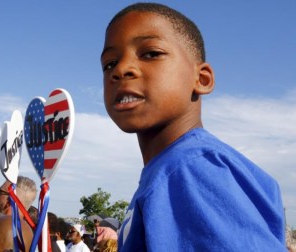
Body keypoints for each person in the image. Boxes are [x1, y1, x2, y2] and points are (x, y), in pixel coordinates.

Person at [101, 2, 286, 251]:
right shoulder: (172, 169)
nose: (121, 69)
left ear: (201, 79)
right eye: (110, 63)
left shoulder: (188, 169)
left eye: (150, 53)